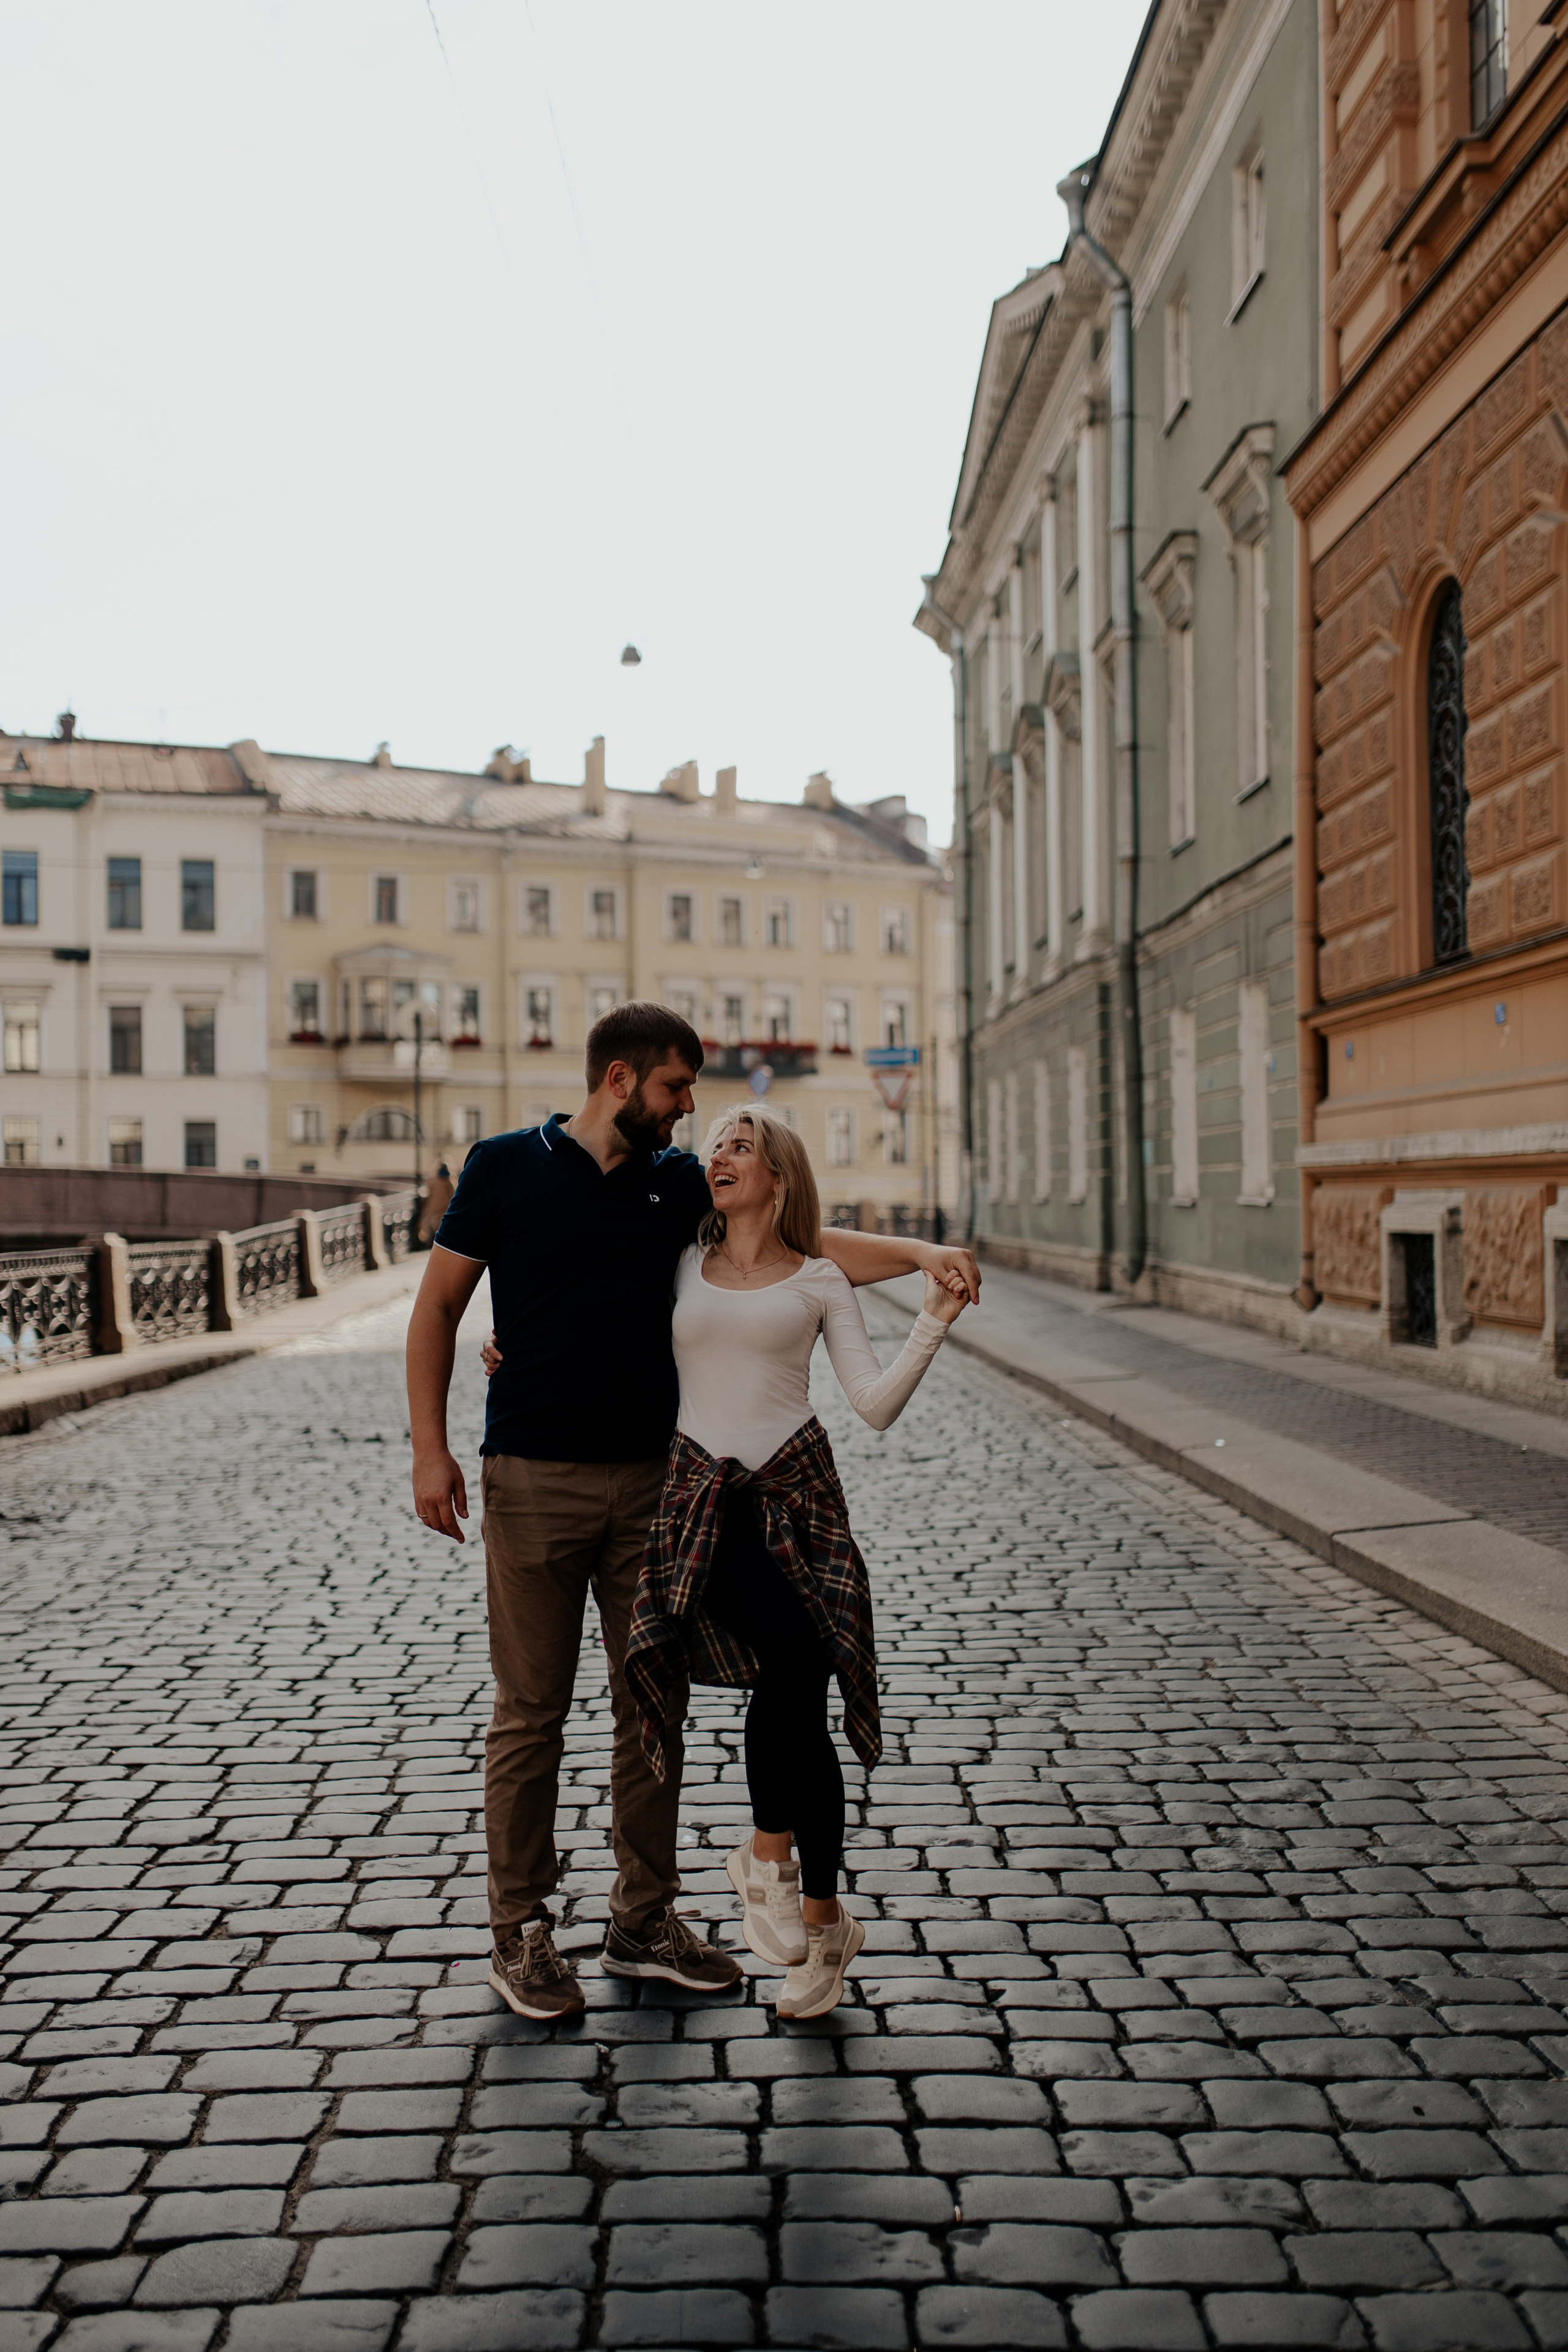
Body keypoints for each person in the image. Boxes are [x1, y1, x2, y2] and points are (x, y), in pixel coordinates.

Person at [405, 1001, 979, 2023]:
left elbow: (803, 1238)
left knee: (650, 1708)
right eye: (677, 1090)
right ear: (622, 1080)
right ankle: (521, 1930)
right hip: (532, 1477)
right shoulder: (501, 1168)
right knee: (531, 1711)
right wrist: (429, 1448)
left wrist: (915, 1249)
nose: (689, 1112)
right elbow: (441, 1308)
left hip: (658, 1491)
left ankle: (644, 1918)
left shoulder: (678, 1187)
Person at [624, 1102, 964, 2020]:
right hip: (701, 1504)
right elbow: (608, 1325)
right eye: (716, 1145)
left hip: (796, 1504)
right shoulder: (680, 1262)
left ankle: (816, 1919)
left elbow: (875, 1404)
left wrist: (930, 1311)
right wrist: (518, 1353)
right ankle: (770, 1859)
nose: (720, 1154)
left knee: (801, 1689)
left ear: (776, 1177)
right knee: (793, 1656)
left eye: (742, 1145)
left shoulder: (819, 1281)